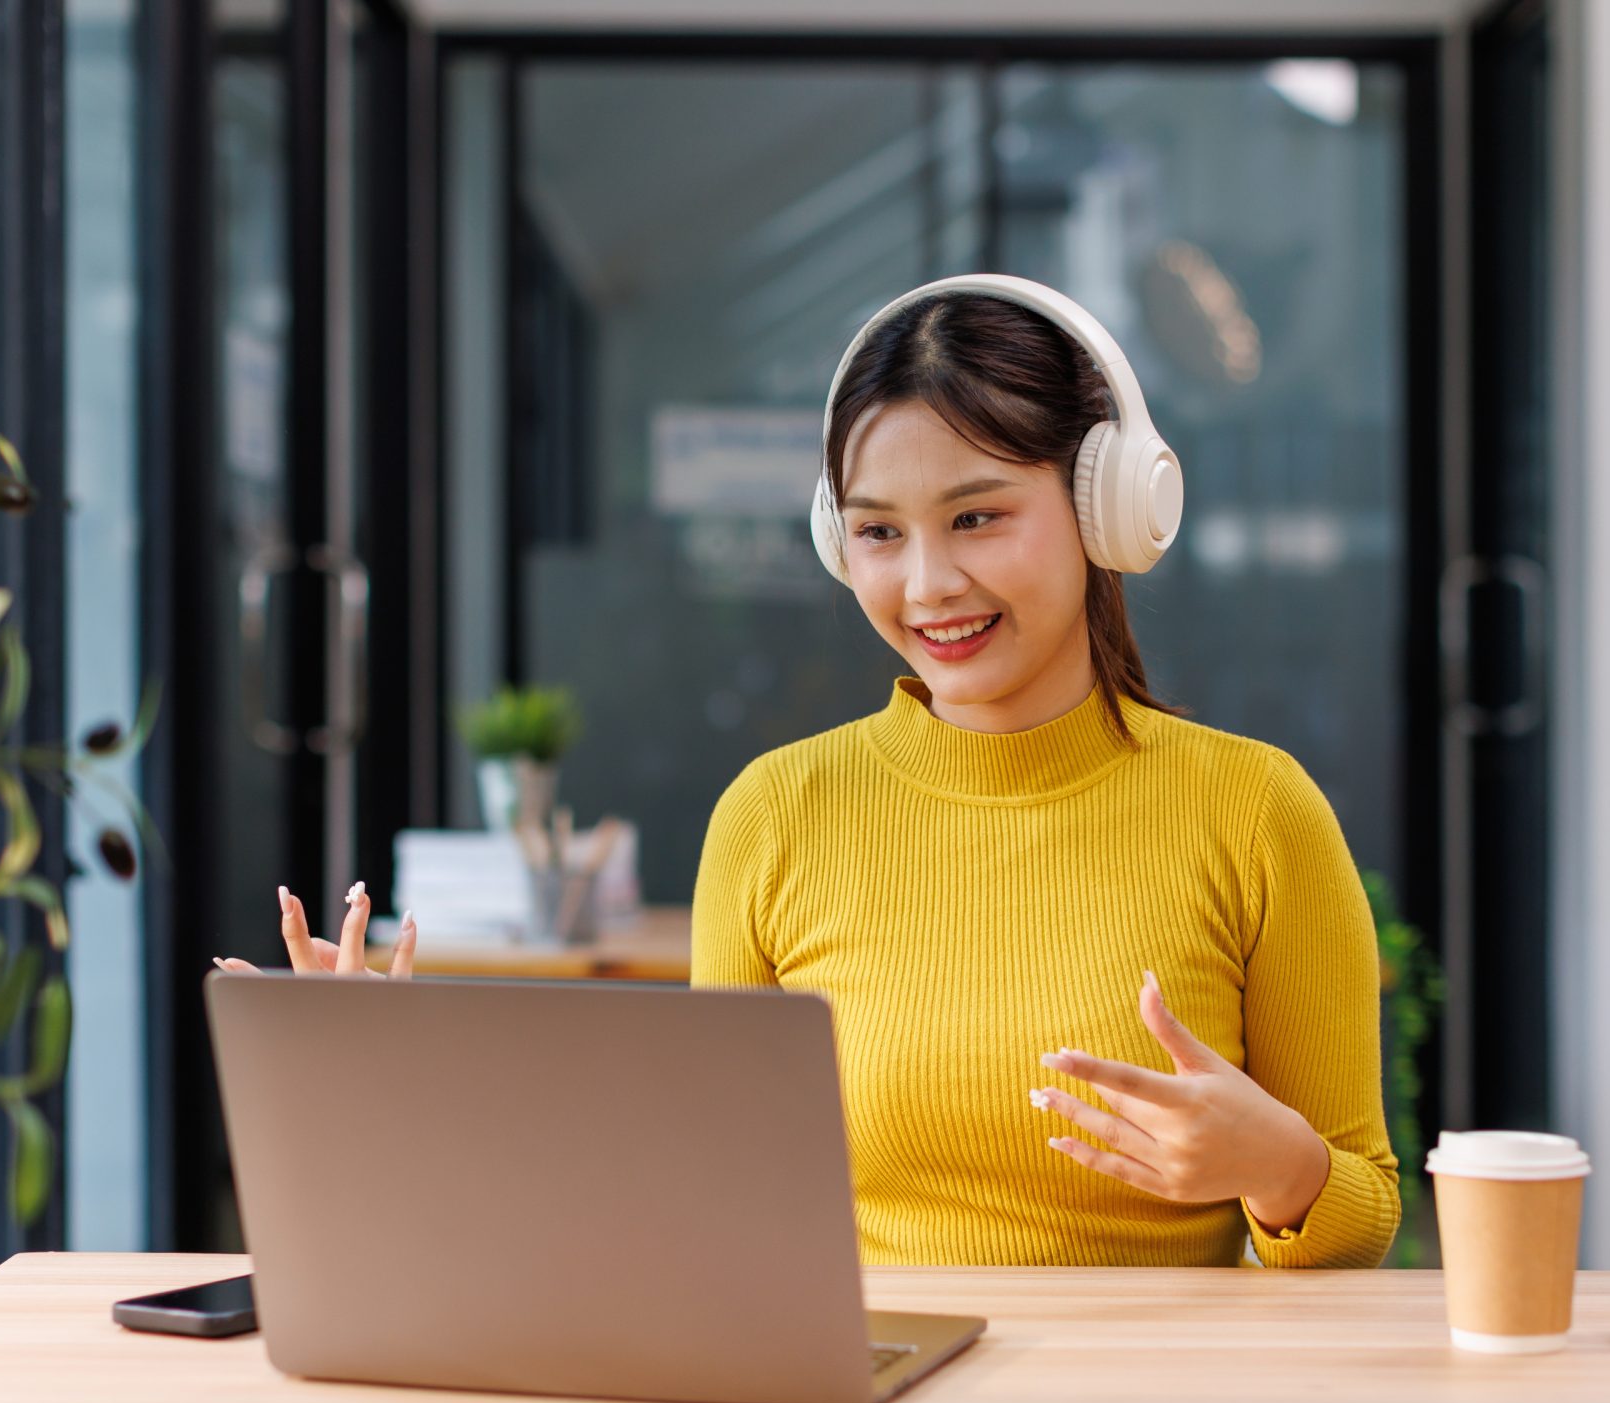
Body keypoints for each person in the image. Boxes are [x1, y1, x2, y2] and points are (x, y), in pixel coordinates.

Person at [231, 274, 1399, 1270]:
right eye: (879, 533)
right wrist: (391, 1102)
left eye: (978, 516)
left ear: (1105, 509)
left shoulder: (1253, 811)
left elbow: (1368, 1211)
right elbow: (713, 1207)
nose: (927, 584)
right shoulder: (777, 814)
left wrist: (1279, 1167)